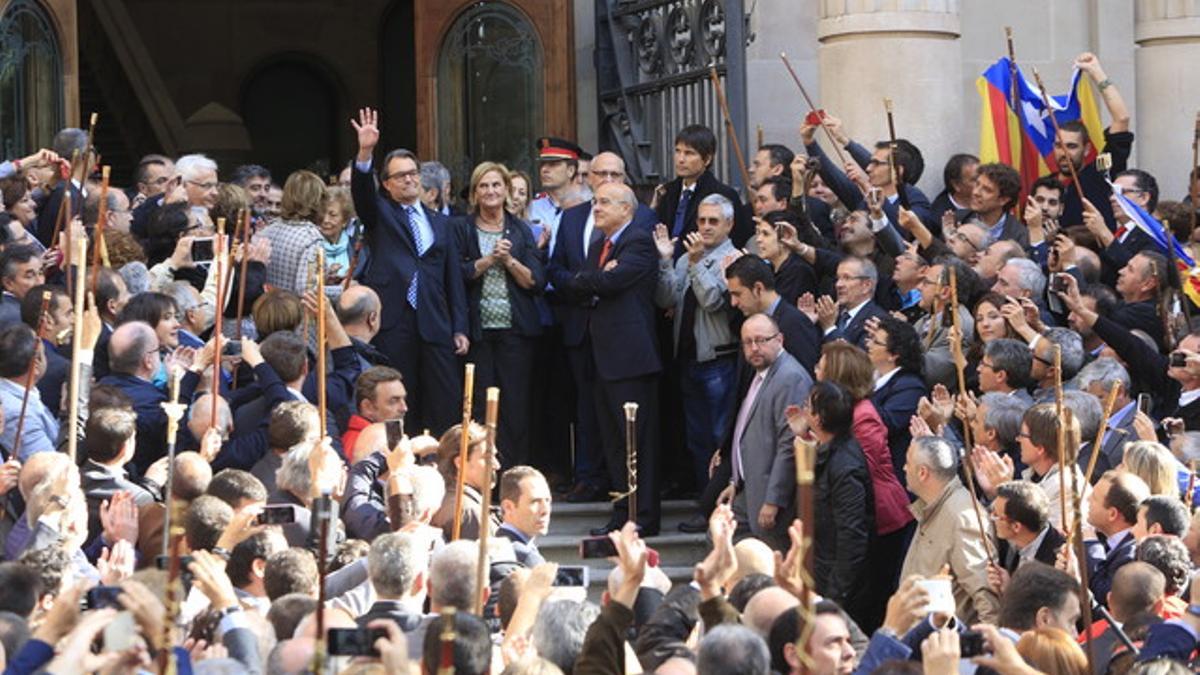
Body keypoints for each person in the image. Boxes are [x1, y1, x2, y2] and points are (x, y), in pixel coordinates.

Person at [350, 108, 468, 436]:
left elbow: (453, 279)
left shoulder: (442, 224)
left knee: (445, 399)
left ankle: (445, 466)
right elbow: (362, 194)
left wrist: (459, 326)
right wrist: (365, 153)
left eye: (413, 173)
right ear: (386, 184)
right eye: (400, 175)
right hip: (394, 320)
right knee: (397, 398)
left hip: (435, 321)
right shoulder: (381, 214)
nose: (409, 179)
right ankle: (400, 465)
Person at [553, 182, 662, 535]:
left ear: (626, 209)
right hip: (601, 357)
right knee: (613, 443)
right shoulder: (601, 244)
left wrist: (595, 280)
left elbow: (610, 283)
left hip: (630, 359)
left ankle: (642, 516)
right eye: (594, 201)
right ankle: (622, 512)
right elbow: (580, 283)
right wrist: (596, 278)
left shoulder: (639, 240)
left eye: (603, 202)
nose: (595, 208)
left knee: (636, 442)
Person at [813, 342, 912, 629]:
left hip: (880, 513)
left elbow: (859, 470)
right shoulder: (847, 413)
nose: (816, 370)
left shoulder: (862, 415)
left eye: (821, 366)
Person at [452, 162, 543, 466]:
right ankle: (481, 475)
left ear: (506, 190)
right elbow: (457, 275)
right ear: (475, 193)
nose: (490, 191)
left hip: (516, 331)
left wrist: (510, 261)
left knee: (516, 406)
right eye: (483, 186)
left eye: (496, 185)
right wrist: (489, 259)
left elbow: (535, 281)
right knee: (479, 406)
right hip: (478, 333)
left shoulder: (521, 229)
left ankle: (516, 474)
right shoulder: (461, 228)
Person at [654, 194, 739, 490]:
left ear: (729, 224)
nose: (705, 226)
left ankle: (722, 505)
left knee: (720, 438)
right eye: (701, 220)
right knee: (697, 439)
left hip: (719, 361)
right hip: (688, 360)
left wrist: (697, 264)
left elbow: (713, 301)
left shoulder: (735, 259)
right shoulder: (685, 257)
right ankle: (705, 503)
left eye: (713, 221)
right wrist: (666, 261)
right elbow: (665, 299)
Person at [717, 313, 812, 549]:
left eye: (761, 340)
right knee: (722, 540)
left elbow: (788, 444)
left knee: (771, 562)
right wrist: (735, 481)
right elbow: (750, 432)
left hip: (771, 496)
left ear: (779, 339)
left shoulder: (790, 377)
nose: (754, 348)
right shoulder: (763, 372)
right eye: (747, 342)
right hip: (749, 488)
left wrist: (774, 499)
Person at [789, 381, 874, 628]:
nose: (803, 410)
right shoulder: (827, 449)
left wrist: (835, 596)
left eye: (807, 406)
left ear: (818, 417)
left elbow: (852, 535)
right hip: (821, 568)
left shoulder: (845, 466)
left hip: (838, 585)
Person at [900, 435, 999, 623]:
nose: (904, 468)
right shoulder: (932, 506)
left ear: (923, 473)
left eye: (907, 463)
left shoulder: (962, 518)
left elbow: (987, 599)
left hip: (940, 642)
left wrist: (986, 648)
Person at [654, 124, 752, 253]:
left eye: (689, 153)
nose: (681, 159)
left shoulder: (724, 194)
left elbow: (736, 239)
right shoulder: (667, 191)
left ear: (707, 159)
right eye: (678, 151)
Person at [723, 254, 821, 375]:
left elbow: (803, 380)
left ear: (758, 289)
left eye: (737, 294)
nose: (733, 303)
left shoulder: (794, 324)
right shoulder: (751, 321)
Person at [865, 315, 926, 478]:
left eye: (876, 342)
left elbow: (886, 423)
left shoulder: (910, 386)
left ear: (893, 355)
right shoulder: (872, 376)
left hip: (891, 474)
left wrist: (859, 391)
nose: (868, 344)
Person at [1084, 470, 1152, 604]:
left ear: (1112, 514)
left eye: (1095, 498)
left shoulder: (1131, 553)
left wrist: (1091, 546)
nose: (1088, 500)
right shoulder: (1103, 537)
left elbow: (1104, 594)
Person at [255, 170, 327, 295]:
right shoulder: (311, 240)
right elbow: (307, 290)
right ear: (318, 201)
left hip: (265, 310)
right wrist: (342, 291)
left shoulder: (267, 230)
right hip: (293, 312)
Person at [430, 422, 500, 540]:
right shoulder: (468, 512)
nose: (496, 465)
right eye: (487, 458)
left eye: (495, 457)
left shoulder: (440, 499)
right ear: (460, 463)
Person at [497, 465, 552, 567]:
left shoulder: (496, 546)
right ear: (508, 507)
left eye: (548, 501)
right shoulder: (525, 557)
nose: (545, 510)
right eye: (535, 502)